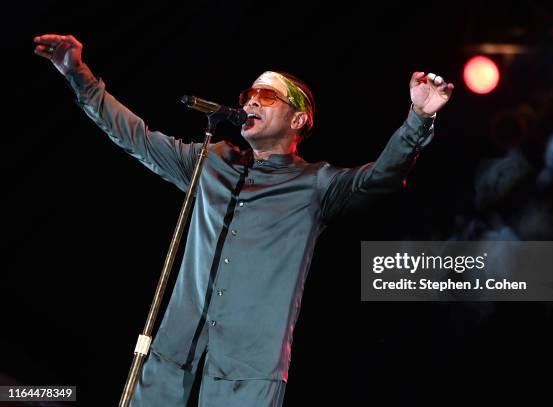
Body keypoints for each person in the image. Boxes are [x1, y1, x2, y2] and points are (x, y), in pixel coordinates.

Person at [33, 34, 454, 406]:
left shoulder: (316, 185)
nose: (251, 101)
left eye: (267, 96)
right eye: (249, 93)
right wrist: (79, 75)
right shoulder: (209, 162)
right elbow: (136, 137)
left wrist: (420, 119)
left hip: (249, 369)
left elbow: (382, 177)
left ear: (298, 119)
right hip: (173, 349)